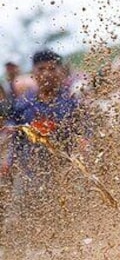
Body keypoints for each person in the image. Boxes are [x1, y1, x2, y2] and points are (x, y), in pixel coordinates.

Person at [2, 49, 89, 182]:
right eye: (41, 69)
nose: (46, 73)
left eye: (52, 69)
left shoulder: (72, 103)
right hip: (31, 174)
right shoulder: (23, 104)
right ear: (33, 72)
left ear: (61, 72)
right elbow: (14, 135)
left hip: (66, 174)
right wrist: (8, 162)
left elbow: (86, 131)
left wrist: (84, 143)